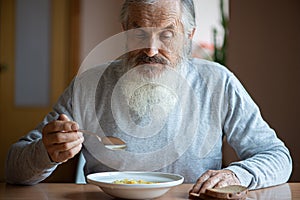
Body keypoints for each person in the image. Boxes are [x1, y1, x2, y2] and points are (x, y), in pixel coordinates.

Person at [6, 0, 292, 196]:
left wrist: (238, 176)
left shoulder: (218, 82)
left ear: (189, 36)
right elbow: (14, 168)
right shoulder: (88, 85)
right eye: (139, 33)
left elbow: (278, 157)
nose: (151, 50)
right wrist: (46, 151)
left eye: (167, 34)